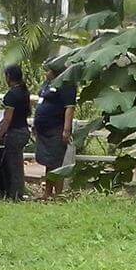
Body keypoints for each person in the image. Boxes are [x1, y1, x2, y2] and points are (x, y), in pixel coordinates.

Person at [33, 60, 77, 199]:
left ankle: (58, 194)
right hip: (43, 129)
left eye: (49, 71)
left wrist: (66, 129)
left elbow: (69, 107)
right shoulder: (48, 84)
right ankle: (47, 192)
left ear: (56, 72)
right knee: (48, 161)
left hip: (56, 128)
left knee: (56, 161)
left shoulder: (67, 85)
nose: (46, 73)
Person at [0, 64, 32, 200]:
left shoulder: (11, 95)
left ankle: (14, 195)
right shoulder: (24, 92)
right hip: (24, 129)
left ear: (8, 77)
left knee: (12, 165)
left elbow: (7, 119)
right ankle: (16, 192)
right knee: (16, 162)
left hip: (15, 132)